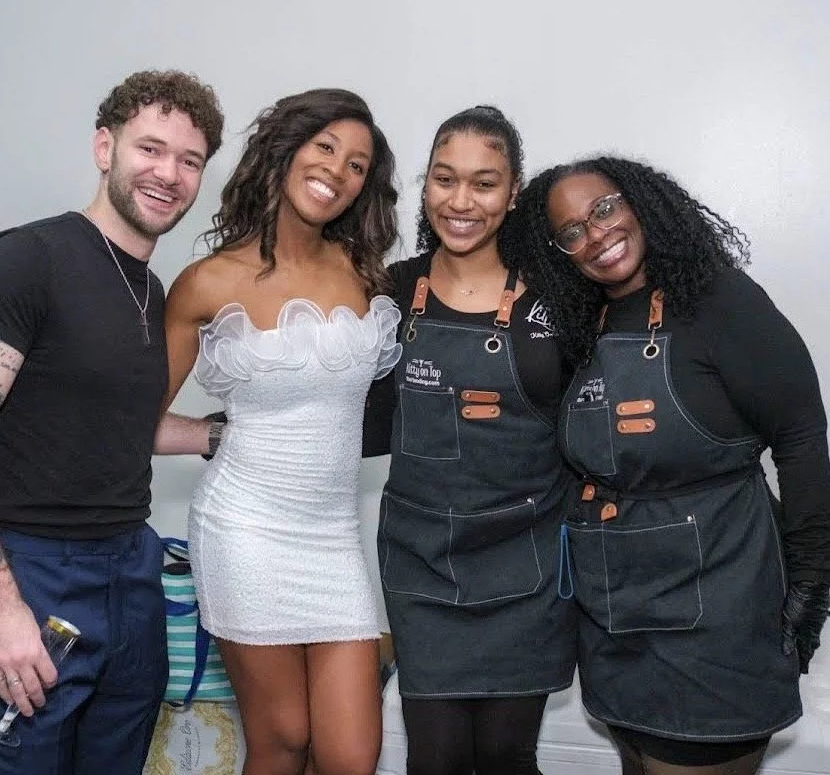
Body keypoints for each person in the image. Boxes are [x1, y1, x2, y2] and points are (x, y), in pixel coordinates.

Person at [0, 70, 224, 775]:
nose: (168, 174)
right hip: (33, 573)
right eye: (150, 149)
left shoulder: (146, 287)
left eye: (189, 160)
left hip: (130, 570)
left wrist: (214, 435)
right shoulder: (26, 259)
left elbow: (115, 421)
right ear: (103, 147)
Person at [513, 155, 830, 774]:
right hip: (614, 621)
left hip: (718, 615)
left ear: (640, 203)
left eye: (604, 209)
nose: (596, 234)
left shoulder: (721, 302)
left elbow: (802, 440)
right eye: (572, 232)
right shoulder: (582, 323)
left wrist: (812, 588)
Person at [161, 88, 400, 775]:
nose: (338, 170)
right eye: (325, 147)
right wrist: (216, 437)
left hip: (331, 534)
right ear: (285, 149)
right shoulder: (207, 282)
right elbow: (138, 415)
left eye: (358, 164)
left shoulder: (363, 271)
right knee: (283, 738)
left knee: (353, 755)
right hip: (246, 528)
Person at [362, 106, 577, 775]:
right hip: (423, 567)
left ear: (514, 193)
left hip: (529, 566)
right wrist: (220, 432)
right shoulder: (392, 291)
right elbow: (343, 416)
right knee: (436, 757)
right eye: (445, 179)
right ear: (426, 185)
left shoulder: (559, 300)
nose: (461, 201)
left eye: (484, 184)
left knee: (508, 755)